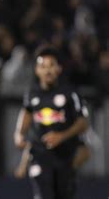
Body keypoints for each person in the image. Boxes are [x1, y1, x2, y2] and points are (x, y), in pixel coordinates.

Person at [13, 45, 89, 199]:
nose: (47, 70)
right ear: (36, 70)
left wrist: (62, 135)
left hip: (65, 156)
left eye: (51, 66)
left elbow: (83, 123)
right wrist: (19, 135)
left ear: (59, 69)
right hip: (39, 154)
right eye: (43, 66)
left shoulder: (70, 93)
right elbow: (26, 115)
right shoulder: (32, 94)